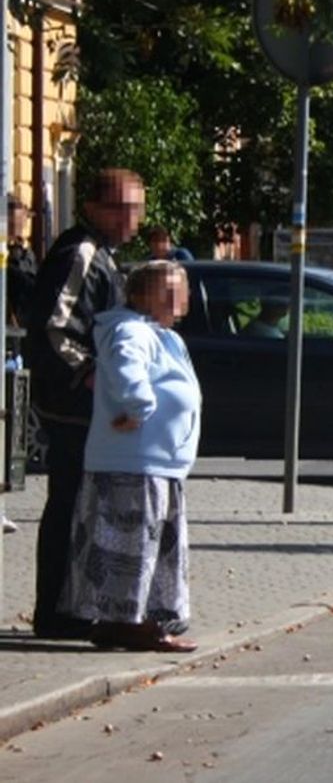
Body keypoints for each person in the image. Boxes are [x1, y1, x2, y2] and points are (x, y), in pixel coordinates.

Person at [22, 168, 142, 639]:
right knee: (69, 505)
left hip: (84, 406)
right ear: (93, 208)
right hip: (71, 406)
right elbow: (54, 326)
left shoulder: (103, 255)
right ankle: (56, 612)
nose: (133, 219)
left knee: (80, 507)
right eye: (123, 208)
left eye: (137, 208)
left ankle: (71, 607)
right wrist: (88, 375)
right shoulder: (81, 253)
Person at [58, 261, 200, 652]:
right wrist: (139, 407)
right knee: (130, 548)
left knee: (151, 547)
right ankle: (128, 623)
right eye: (165, 291)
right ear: (139, 295)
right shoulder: (129, 330)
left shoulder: (162, 334)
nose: (176, 299)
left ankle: (134, 621)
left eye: (179, 291)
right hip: (133, 464)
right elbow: (126, 369)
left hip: (155, 463)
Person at [7, 195, 37, 327]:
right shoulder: (8, 254)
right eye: (15, 224)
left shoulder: (24, 250)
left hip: (23, 319)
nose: (21, 227)